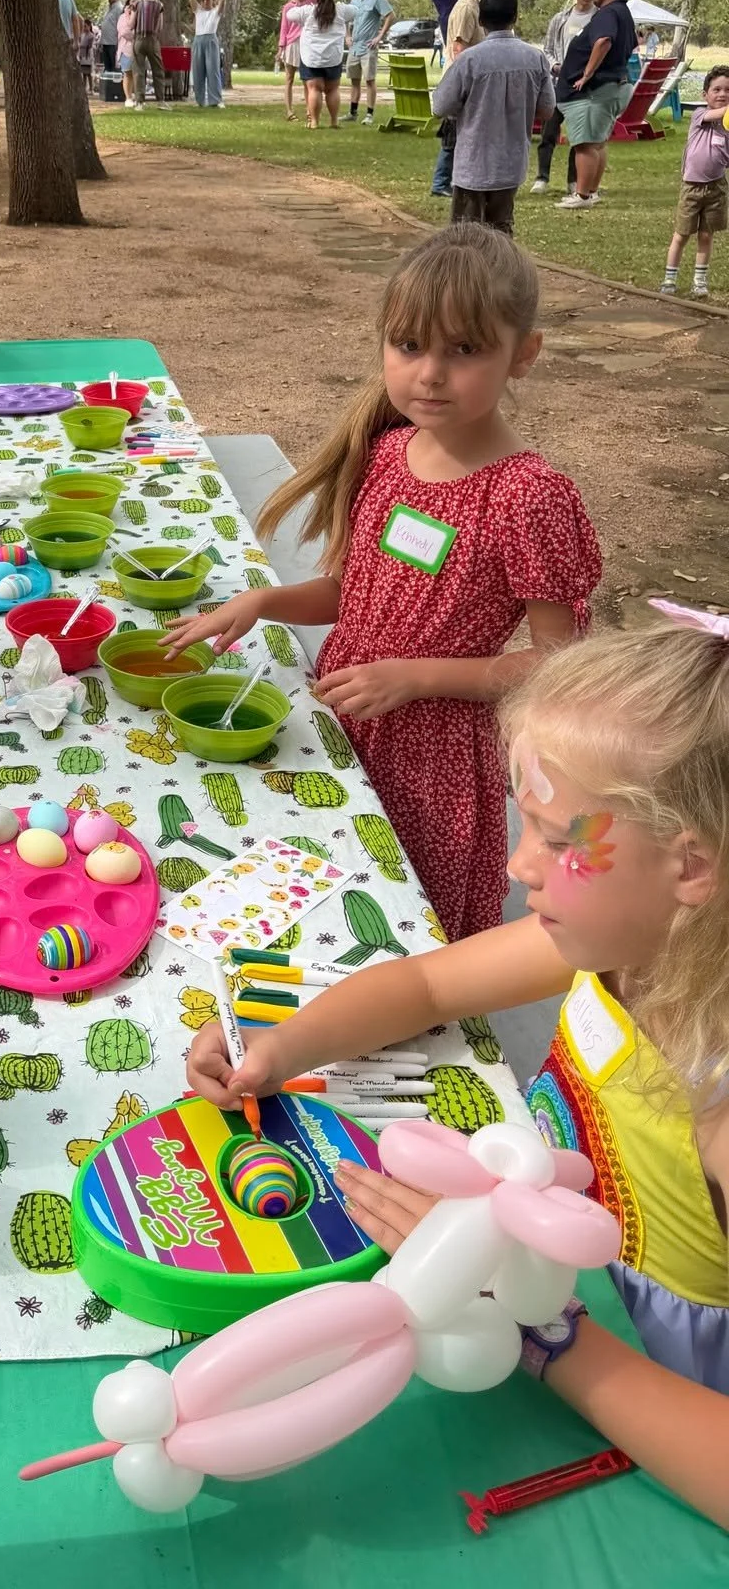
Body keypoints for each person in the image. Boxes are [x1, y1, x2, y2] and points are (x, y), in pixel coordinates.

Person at [187, 616, 729, 1517]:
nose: (520, 867)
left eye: (561, 841)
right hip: (544, 1269)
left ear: (692, 865)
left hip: (642, 1383)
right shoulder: (629, 941)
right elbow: (431, 984)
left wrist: (543, 1332)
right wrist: (277, 1045)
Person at [160, 224, 600, 941]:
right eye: (409, 345)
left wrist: (417, 678)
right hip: (345, 718)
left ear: (524, 355)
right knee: (328, 900)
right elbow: (354, 591)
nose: (429, 373)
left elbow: (560, 666)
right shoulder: (390, 454)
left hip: (435, 761)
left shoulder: (528, 496)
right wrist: (264, 602)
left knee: (405, 923)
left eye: (464, 349)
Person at [430, 0, 553, 237]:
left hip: (473, 164)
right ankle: (501, 276)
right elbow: (546, 110)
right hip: (511, 164)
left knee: (465, 238)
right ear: (515, 17)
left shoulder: (470, 60)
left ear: (481, 20)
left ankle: (468, 278)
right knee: (502, 232)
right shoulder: (535, 58)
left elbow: (440, 106)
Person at [556, 0, 637, 211]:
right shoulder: (624, 14)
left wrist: (587, 74)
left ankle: (581, 196)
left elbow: (603, 41)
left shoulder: (608, 13)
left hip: (596, 90)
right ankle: (590, 192)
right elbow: (631, 43)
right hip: (613, 85)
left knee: (586, 143)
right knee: (598, 141)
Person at [431, 0, 510, 197]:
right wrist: (470, 81)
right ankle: (441, 183)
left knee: (468, 133)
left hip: (475, 77)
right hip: (465, 79)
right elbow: (459, 47)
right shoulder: (467, 6)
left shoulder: (480, 4)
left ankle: (457, 180)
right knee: (454, 134)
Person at [661, 63, 729, 298]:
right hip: (692, 188)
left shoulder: (727, 127)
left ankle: (699, 281)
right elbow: (718, 114)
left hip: (716, 188)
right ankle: (670, 278)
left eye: (728, 90)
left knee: (706, 235)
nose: (722, 94)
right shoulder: (700, 115)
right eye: (717, 90)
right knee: (681, 235)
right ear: (705, 95)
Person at [531, 0, 598, 196]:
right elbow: (547, 49)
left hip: (583, 86)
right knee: (549, 130)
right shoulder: (561, 19)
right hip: (558, 84)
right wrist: (555, 65)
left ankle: (573, 180)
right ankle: (542, 177)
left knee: (578, 136)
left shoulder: (599, 19)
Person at [281, 0, 351, 129]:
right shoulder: (341, 11)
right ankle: (334, 121)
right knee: (332, 90)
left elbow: (290, 14)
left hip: (312, 58)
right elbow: (356, 11)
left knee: (315, 89)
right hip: (333, 58)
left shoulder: (308, 11)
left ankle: (314, 122)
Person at [345, 0, 394, 124]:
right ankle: (352, 112)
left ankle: (369, 114)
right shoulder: (354, 1)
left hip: (368, 47)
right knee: (354, 80)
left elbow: (390, 15)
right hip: (355, 47)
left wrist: (379, 36)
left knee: (369, 80)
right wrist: (347, 35)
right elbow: (347, 19)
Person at [277, 0, 310, 120]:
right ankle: (289, 112)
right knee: (289, 78)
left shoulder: (309, 5)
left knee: (307, 79)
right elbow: (284, 28)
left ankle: (310, 111)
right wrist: (281, 48)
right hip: (292, 44)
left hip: (306, 44)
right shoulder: (288, 7)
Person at [129, 0, 166, 108]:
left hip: (139, 39)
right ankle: (161, 100)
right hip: (153, 40)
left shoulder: (137, 4)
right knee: (158, 69)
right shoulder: (159, 5)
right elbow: (160, 26)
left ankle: (140, 101)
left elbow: (131, 24)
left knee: (139, 70)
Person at [190, 0, 225, 108]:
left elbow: (223, 0)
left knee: (213, 70)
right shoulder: (198, 11)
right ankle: (199, 100)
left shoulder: (215, 12)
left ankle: (215, 100)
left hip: (211, 40)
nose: (205, 1)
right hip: (198, 40)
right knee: (198, 71)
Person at [116, 0, 139, 104]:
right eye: (133, 1)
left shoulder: (141, 16)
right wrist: (135, 35)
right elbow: (125, 32)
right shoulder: (122, 17)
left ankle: (136, 96)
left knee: (137, 74)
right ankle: (128, 97)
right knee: (128, 73)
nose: (135, 3)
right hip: (126, 49)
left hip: (139, 49)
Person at [99, 0, 123, 78]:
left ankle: (115, 86)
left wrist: (119, 41)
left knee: (114, 66)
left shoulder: (119, 8)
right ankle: (109, 85)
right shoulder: (109, 9)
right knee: (107, 66)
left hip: (113, 42)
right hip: (106, 41)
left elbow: (120, 25)